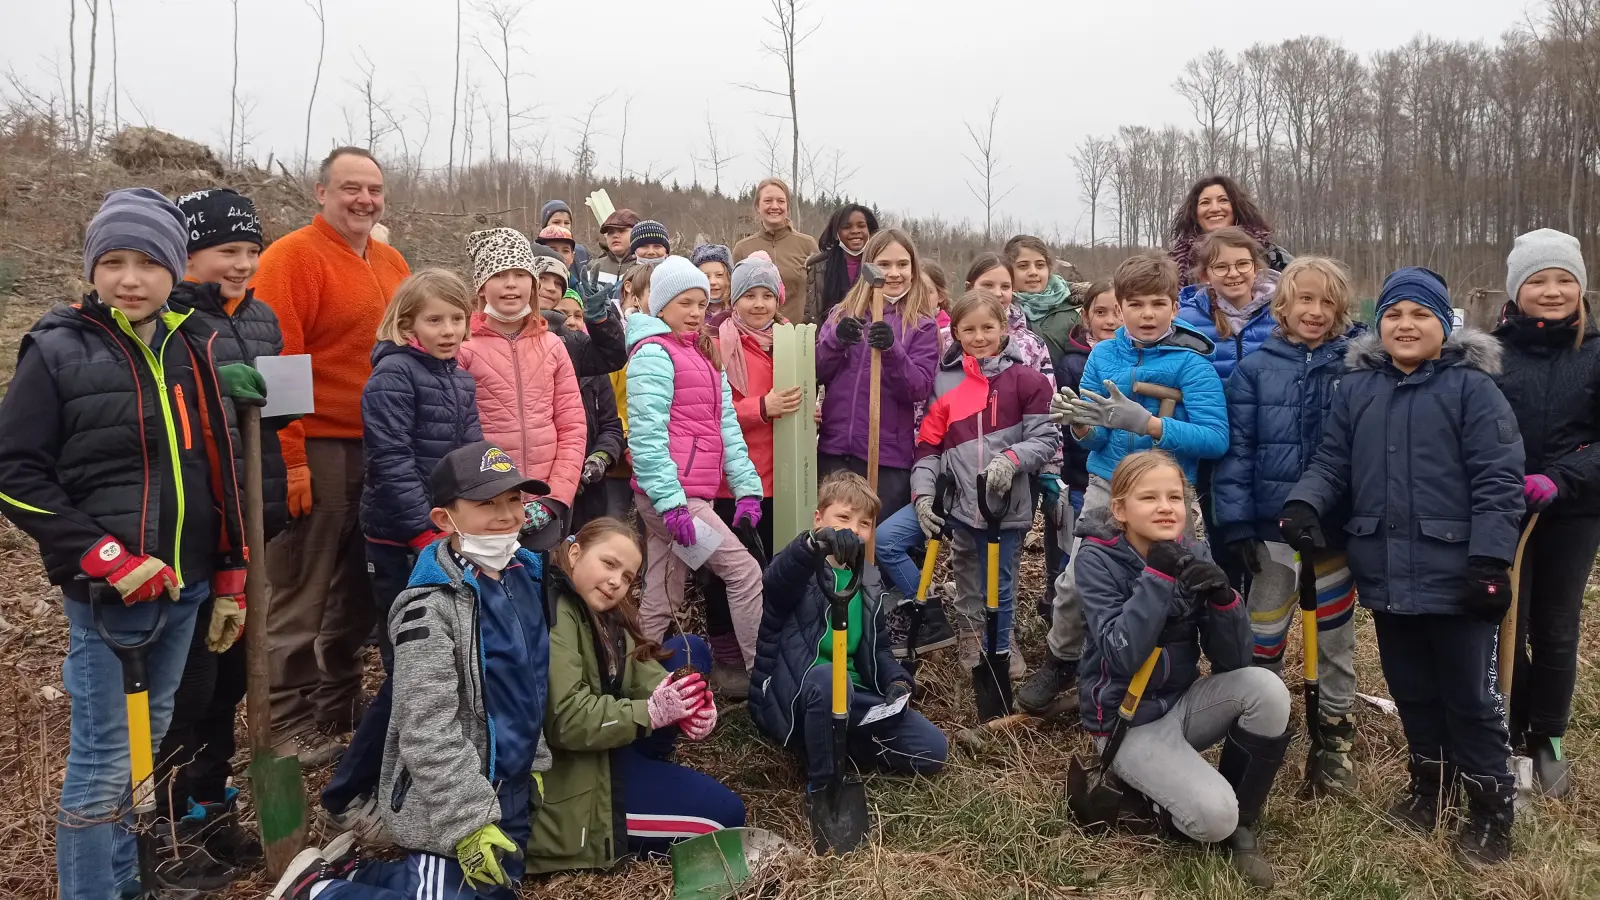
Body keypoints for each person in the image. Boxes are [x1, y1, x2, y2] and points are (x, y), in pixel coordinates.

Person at [0, 189, 259, 900]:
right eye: (112, 261)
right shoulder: (58, 349)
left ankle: (126, 884)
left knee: (142, 762)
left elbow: (219, 469)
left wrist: (231, 570)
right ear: (92, 268)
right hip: (112, 595)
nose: (130, 278)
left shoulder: (189, 345)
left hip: (187, 587)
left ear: (175, 268)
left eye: (147, 261)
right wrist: (104, 556)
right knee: (104, 763)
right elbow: (15, 470)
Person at [1282, 266, 1525, 866]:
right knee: (1412, 689)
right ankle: (1430, 788)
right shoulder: (1358, 390)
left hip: (1460, 575)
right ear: (1379, 324)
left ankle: (1492, 810)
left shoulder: (1472, 390)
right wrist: (1303, 501)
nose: (1406, 325)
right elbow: (1333, 461)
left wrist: (1491, 560)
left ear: (1445, 326)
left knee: (1469, 696)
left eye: (1420, 315)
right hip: (1386, 572)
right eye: (1394, 314)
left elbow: (1500, 481)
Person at [270, 442, 552, 900]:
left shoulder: (523, 575)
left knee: (495, 890)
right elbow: (426, 727)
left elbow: (529, 683)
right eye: (485, 504)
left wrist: (533, 760)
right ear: (446, 520)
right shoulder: (428, 607)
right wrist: (467, 821)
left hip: (510, 785)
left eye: (514, 501)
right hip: (449, 795)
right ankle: (318, 892)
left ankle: (356, 873)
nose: (505, 516)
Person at [254, 147, 411, 766]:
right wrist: (290, 460)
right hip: (317, 444)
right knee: (301, 584)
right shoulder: (291, 259)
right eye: (350, 188)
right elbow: (279, 363)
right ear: (321, 193)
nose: (364, 200)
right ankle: (285, 721)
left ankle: (339, 706)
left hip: (379, 443)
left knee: (358, 586)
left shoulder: (391, 260)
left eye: (373, 189)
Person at [1019, 252, 1228, 716]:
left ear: (1175, 307)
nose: (1147, 314)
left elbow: (1214, 438)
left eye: (1158, 303)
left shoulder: (1192, 365)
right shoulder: (1104, 355)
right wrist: (1079, 426)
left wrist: (1153, 425)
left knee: (1182, 585)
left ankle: (1190, 671)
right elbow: (1096, 434)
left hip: (1170, 493)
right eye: (1135, 304)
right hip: (1108, 484)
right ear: (1121, 306)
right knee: (1073, 584)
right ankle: (1063, 659)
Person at [1077, 451, 1292, 888]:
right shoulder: (1096, 559)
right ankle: (1154, 800)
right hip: (1127, 722)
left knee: (1267, 688)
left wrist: (1223, 599)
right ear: (1119, 509)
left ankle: (1242, 825)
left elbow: (1233, 662)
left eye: (1175, 496)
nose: (1165, 507)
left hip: (1182, 703)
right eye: (1148, 497)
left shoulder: (1193, 549)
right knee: (1213, 818)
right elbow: (1122, 655)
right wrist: (1158, 575)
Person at [320, 269, 484, 829]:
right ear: (407, 321)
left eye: (457, 318)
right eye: (434, 319)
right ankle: (348, 792)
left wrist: (494, 506)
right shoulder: (393, 378)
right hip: (398, 541)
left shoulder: (459, 380)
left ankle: (412, 780)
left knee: (443, 666)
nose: (447, 329)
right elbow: (389, 462)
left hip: (445, 536)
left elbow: (470, 458)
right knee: (410, 673)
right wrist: (423, 532)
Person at [153, 188, 283, 884]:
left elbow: (281, 417)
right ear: (188, 255)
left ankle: (213, 801)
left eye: (249, 251)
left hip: (253, 521)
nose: (240, 264)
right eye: (225, 251)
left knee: (234, 675)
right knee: (190, 685)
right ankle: (171, 823)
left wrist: (281, 409)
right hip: (194, 533)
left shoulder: (261, 320)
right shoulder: (167, 324)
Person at [1212, 256, 1362, 794]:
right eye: (1305, 300)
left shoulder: (1356, 366)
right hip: (1272, 530)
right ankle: (1260, 728)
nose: (1315, 312)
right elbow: (1238, 451)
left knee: (1336, 638)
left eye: (1326, 302)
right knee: (1264, 635)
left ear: (1341, 307)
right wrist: (1236, 524)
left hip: (1333, 532)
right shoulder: (1256, 368)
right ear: (1283, 304)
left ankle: (1333, 739)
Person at [528, 518, 744, 872]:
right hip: (574, 785)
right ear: (575, 552)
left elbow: (636, 665)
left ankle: (650, 771)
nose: (616, 581)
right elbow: (565, 719)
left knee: (689, 652)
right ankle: (641, 800)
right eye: (609, 564)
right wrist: (651, 713)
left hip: (606, 749)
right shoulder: (555, 614)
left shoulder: (600, 608)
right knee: (725, 818)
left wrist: (684, 699)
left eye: (628, 576)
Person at [750, 473, 948, 791]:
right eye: (843, 518)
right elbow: (775, 582)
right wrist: (812, 545)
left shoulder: (868, 581)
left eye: (864, 523)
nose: (853, 530)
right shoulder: (799, 567)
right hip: (801, 696)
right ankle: (824, 783)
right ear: (819, 519)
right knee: (831, 679)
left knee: (932, 750)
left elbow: (879, 650)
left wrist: (896, 681)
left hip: (854, 701)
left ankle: (841, 746)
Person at [909, 292, 1058, 703]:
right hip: (959, 502)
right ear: (954, 331)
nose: (978, 336)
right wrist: (924, 494)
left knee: (1002, 580)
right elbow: (928, 447)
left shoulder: (1026, 380)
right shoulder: (945, 380)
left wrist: (1012, 458)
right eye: (968, 329)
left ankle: (1001, 644)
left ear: (1004, 329)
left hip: (1005, 505)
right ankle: (973, 640)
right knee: (968, 574)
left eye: (987, 328)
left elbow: (1045, 439)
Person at [1491, 229, 1598, 799]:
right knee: (1504, 616)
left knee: (1554, 626)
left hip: (1574, 512)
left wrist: (1561, 477)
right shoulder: (1491, 351)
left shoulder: (1597, 350)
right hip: (1503, 508)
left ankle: (1548, 737)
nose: (1552, 291)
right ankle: (1509, 725)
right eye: (1538, 280)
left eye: (1564, 280)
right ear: (1516, 290)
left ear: (1580, 288)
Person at [626, 256, 767, 670]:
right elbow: (648, 438)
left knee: (662, 594)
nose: (694, 313)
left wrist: (747, 490)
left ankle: (636, 676)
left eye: (701, 304)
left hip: (683, 499)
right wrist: (671, 504)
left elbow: (728, 429)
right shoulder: (653, 355)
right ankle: (764, 676)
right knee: (743, 573)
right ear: (662, 306)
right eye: (685, 303)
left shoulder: (704, 357)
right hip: (675, 501)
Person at [698, 255, 795, 699]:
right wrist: (762, 407)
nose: (759, 305)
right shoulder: (717, 342)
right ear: (734, 299)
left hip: (776, 477)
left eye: (766, 295)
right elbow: (706, 410)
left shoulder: (791, 343)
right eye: (749, 295)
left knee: (769, 566)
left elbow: (796, 398)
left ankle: (767, 647)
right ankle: (727, 656)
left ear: (779, 298)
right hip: (724, 479)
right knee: (721, 572)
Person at [457, 228, 586, 550]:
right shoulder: (463, 348)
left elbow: (572, 427)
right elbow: (455, 435)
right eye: (499, 274)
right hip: (484, 508)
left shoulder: (553, 346)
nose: (511, 283)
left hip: (544, 503)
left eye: (520, 274)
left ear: (533, 283)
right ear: (482, 287)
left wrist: (554, 499)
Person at [815, 228, 941, 520]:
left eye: (902, 264)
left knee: (875, 543)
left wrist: (893, 350)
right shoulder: (843, 313)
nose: (894, 273)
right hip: (836, 450)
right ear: (869, 267)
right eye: (884, 265)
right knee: (836, 540)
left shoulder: (921, 325)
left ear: (913, 268)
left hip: (886, 457)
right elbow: (818, 372)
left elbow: (918, 388)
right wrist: (836, 341)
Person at [558, 290, 628, 532]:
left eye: (578, 314)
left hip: (590, 493)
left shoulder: (596, 372)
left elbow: (611, 425)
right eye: (562, 313)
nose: (572, 320)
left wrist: (601, 456)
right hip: (551, 490)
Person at [1177, 226, 1283, 381]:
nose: (1233, 274)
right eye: (1221, 267)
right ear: (1205, 275)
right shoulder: (1187, 320)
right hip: (1211, 405)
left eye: (1242, 264)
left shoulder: (1281, 312)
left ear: (1255, 268)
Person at [1168, 174, 1289, 287]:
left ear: (1236, 207)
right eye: (1205, 202)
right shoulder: (1174, 262)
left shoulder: (1271, 254)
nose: (1215, 208)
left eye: (1223, 200)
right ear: (1194, 212)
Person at [733, 178, 818, 323]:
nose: (774, 206)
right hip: (754, 339)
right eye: (767, 201)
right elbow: (734, 299)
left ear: (788, 206)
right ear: (757, 206)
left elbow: (818, 294)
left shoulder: (807, 244)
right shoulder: (742, 248)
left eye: (780, 201)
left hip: (797, 335)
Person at [1004, 235, 1081, 370]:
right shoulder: (1000, 311)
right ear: (1008, 271)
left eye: (1040, 265)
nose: (1033, 272)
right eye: (1023, 266)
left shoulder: (1074, 310)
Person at [804, 203, 879, 324]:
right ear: (836, 233)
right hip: (827, 338)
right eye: (846, 227)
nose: (855, 231)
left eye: (861, 226)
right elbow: (810, 312)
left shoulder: (881, 265)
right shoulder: (817, 267)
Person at [538, 198, 591, 283]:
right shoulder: (535, 251)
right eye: (556, 222)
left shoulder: (582, 253)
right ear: (545, 225)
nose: (562, 226)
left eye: (566, 223)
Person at [589, 208, 640, 288]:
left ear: (637, 233)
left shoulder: (644, 266)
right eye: (611, 232)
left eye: (622, 230)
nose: (615, 236)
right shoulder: (593, 266)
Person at [693, 242, 734, 319]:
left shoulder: (738, 311)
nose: (712, 282)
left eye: (719, 275)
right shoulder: (693, 314)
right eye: (706, 276)